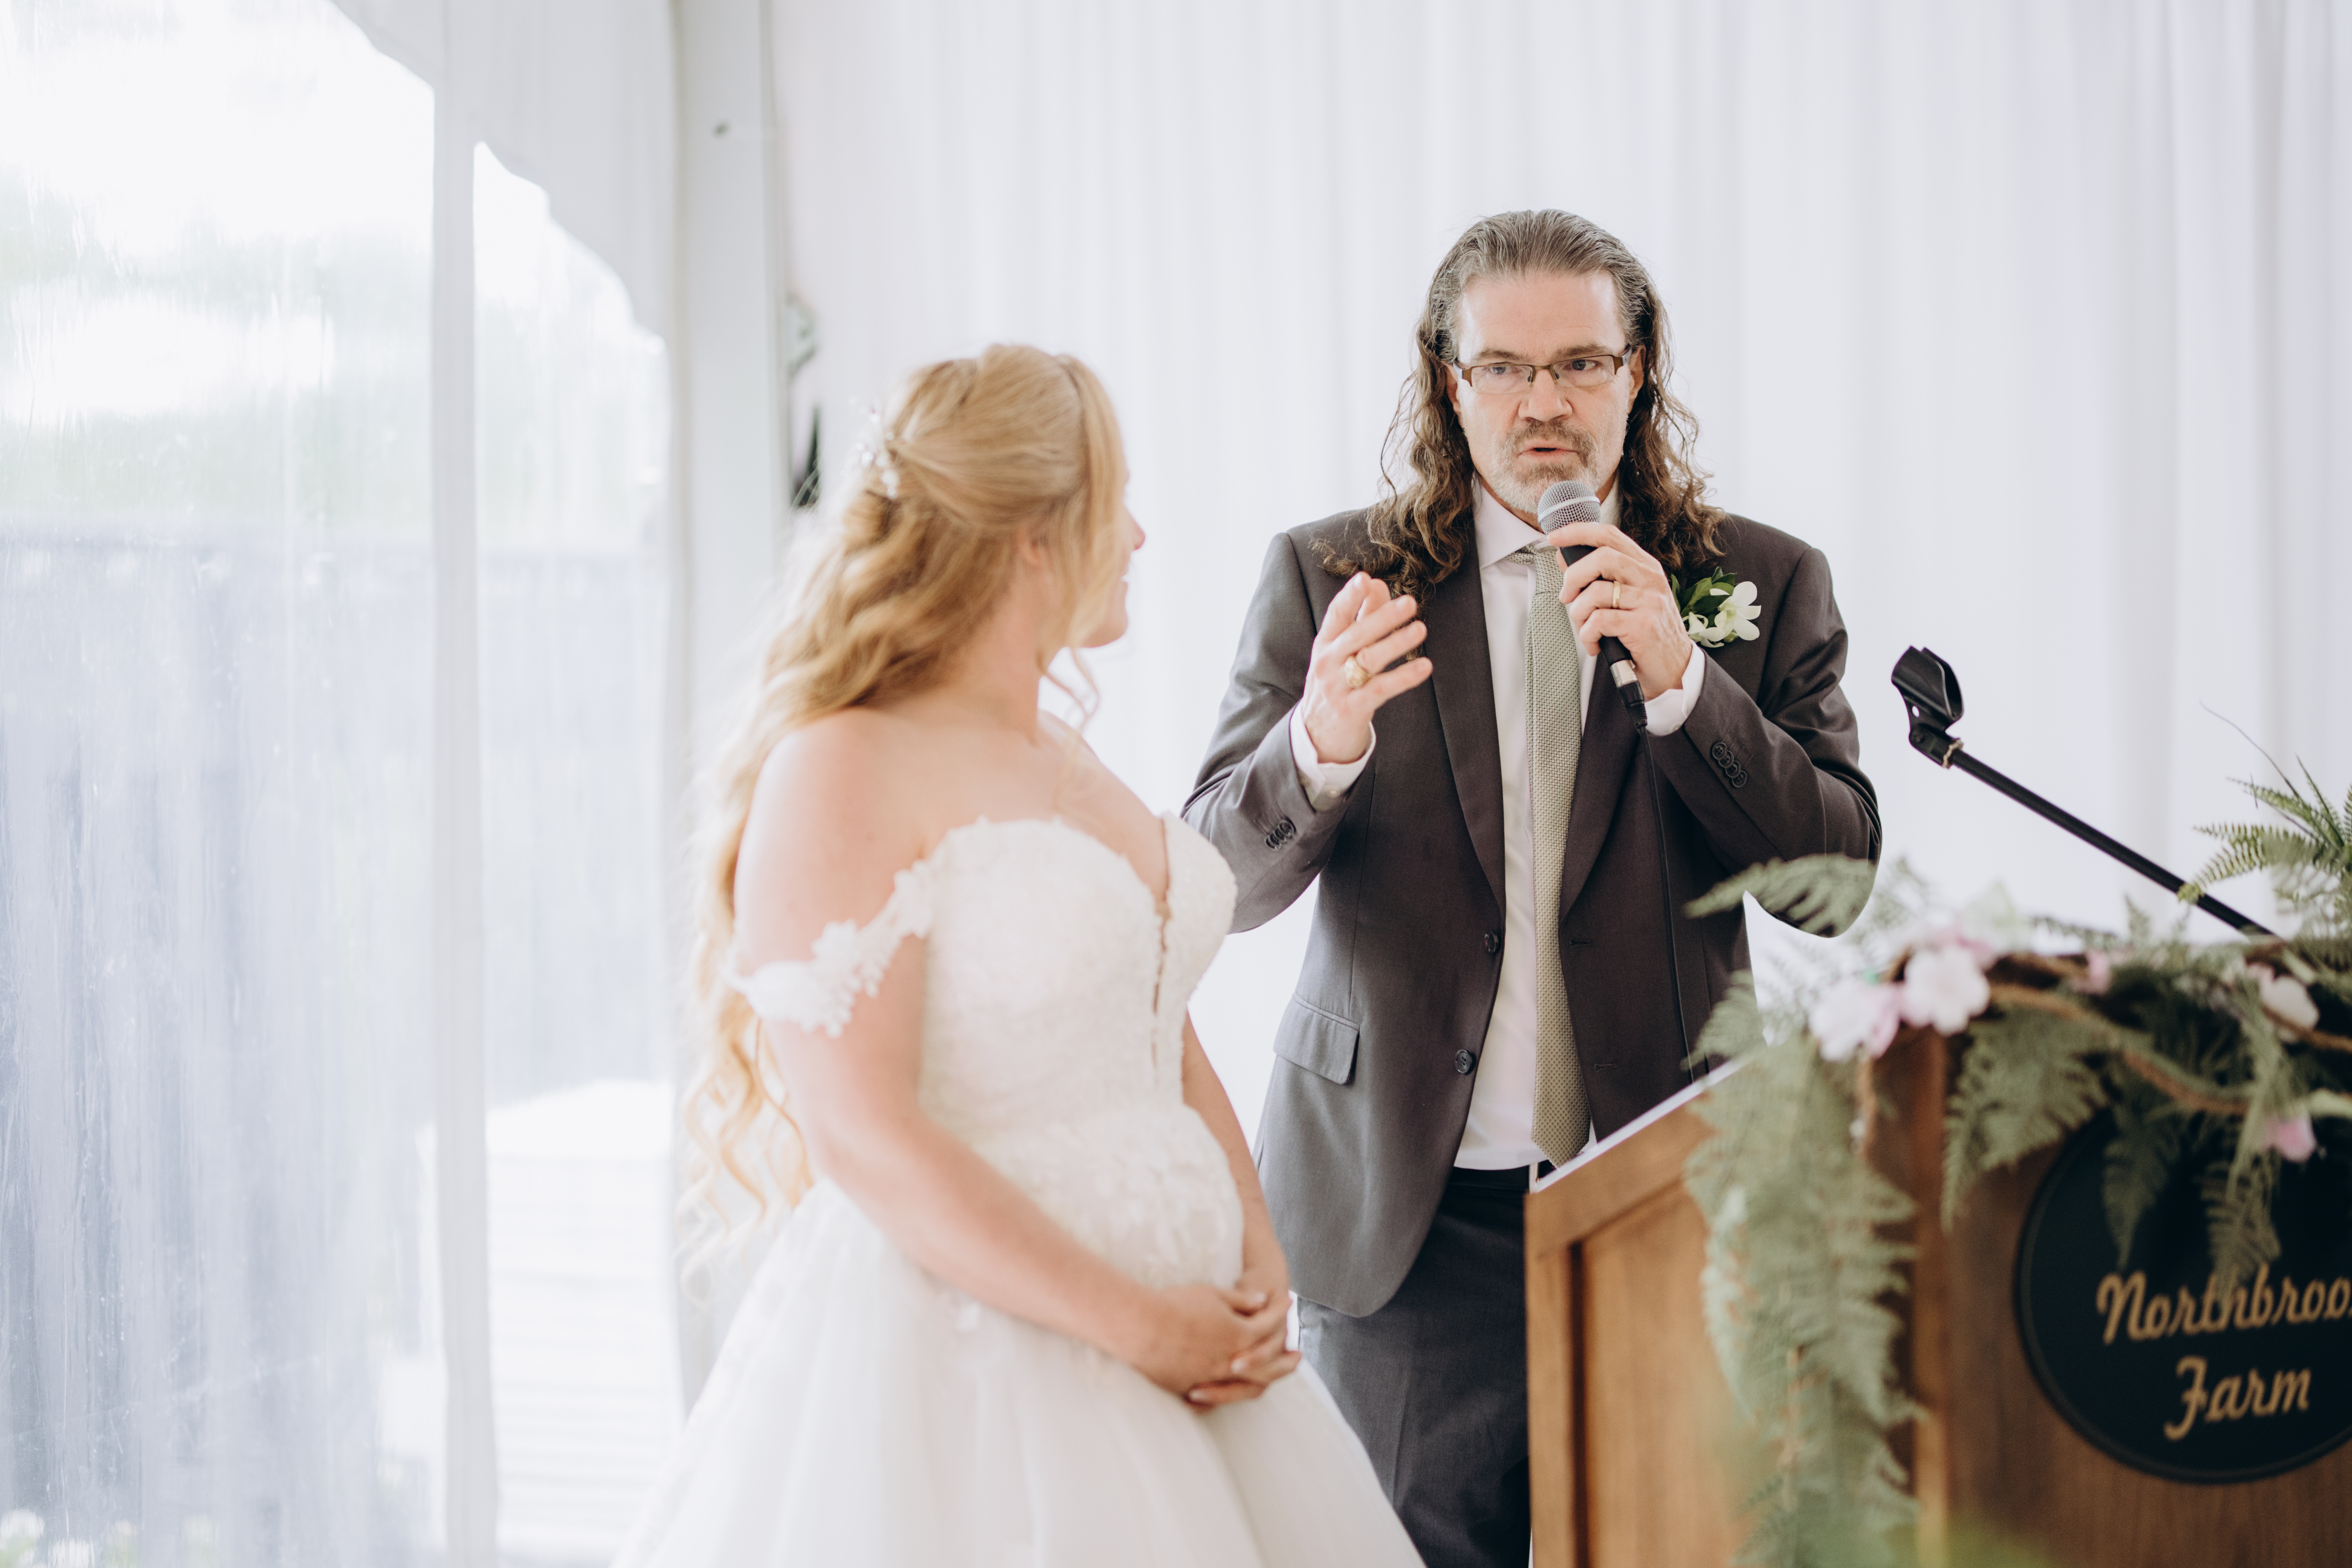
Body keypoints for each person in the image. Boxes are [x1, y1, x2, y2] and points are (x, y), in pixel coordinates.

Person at [615, 344, 1424, 1567]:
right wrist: (1135, 1326)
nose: (1140, 537)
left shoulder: (1069, 756)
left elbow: (1155, 1026)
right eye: (1117, 503)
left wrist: (1259, 1258)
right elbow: (864, 1136)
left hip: (1210, 1366)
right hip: (982, 1373)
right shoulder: (840, 765)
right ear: (1034, 537)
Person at [1184, 210, 1881, 1568]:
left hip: (1669, 1206)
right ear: (1450, 382)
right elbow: (1212, 880)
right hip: (1404, 1221)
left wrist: (1687, 684)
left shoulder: (1759, 580)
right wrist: (1317, 745)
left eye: (1580, 364)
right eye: (1503, 367)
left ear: (1639, 371)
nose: (1543, 402)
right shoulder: (1332, 578)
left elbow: (1835, 884)